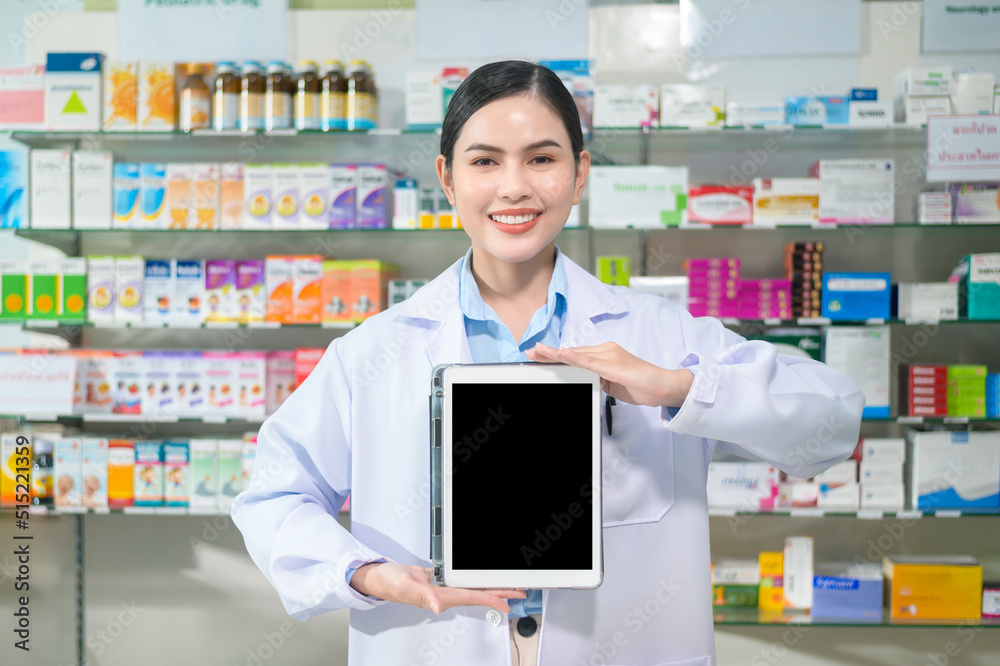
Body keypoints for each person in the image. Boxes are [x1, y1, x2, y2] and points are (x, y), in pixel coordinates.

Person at [232, 60, 865, 666]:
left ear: (580, 172)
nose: (515, 187)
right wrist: (368, 573)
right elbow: (274, 496)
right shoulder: (372, 353)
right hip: (433, 640)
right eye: (485, 161)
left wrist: (677, 385)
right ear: (447, 178)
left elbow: (832, 420)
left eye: (542, 158)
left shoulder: (659, 335)